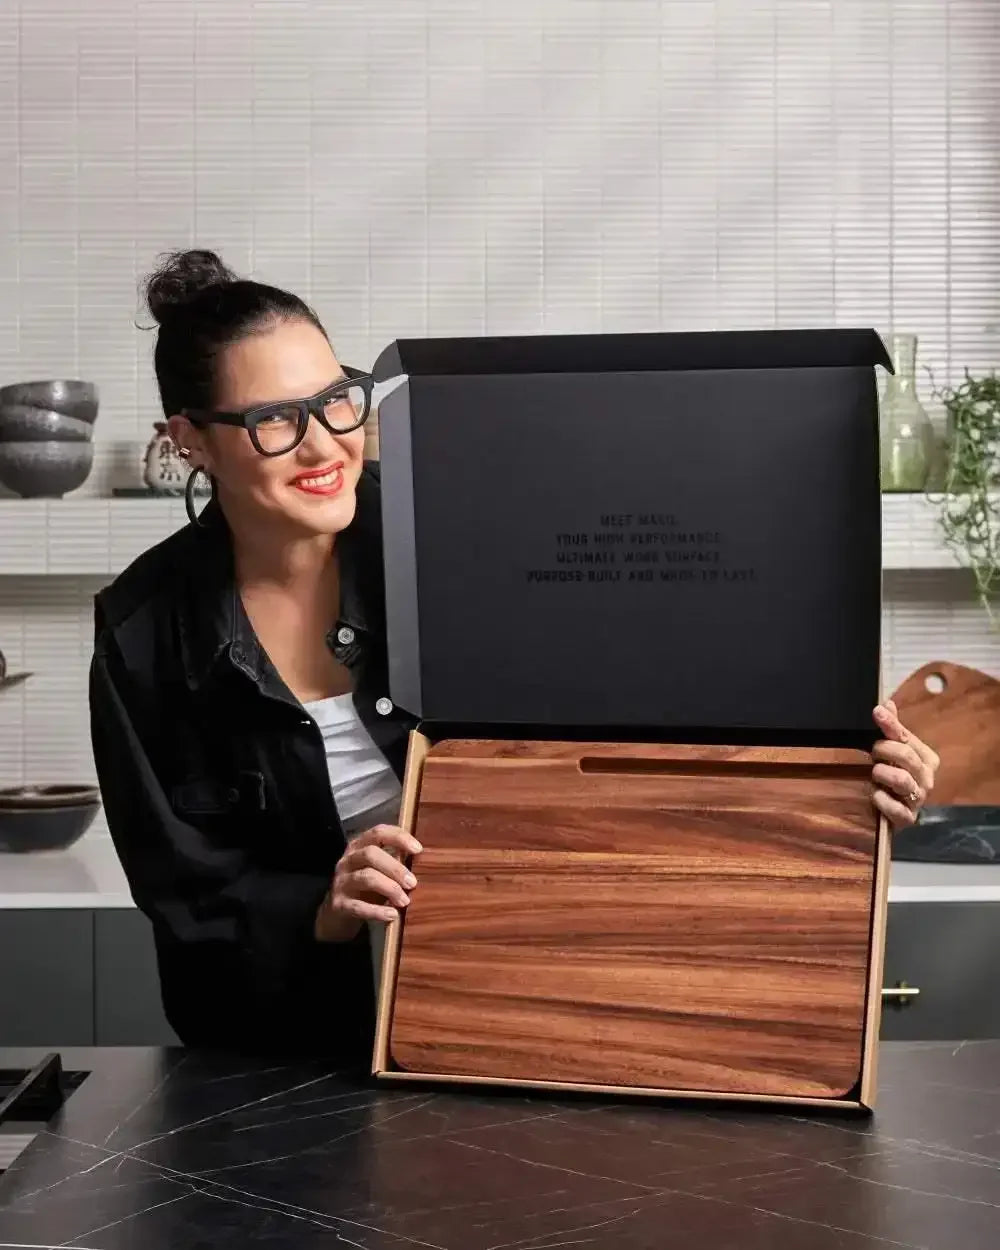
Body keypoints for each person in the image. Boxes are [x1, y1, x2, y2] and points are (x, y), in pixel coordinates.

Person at [89, 249, 941, 1059]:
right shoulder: (141, 633)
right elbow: (185, 896)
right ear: (191, 439)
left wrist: (842, 774)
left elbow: (626, 727)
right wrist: (327, 904)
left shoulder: (459, 533)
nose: (324, 445)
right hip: (274, 1052)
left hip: (507, 996)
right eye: (276, 420)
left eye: (337, 399)